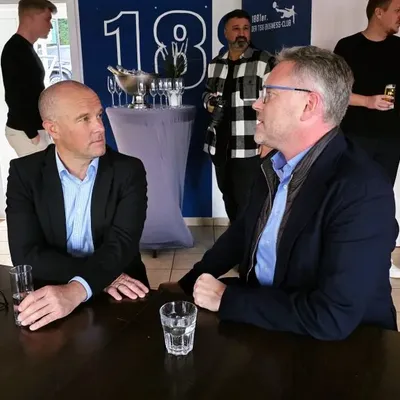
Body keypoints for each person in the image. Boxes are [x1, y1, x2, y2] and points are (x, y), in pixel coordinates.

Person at [169, 46, 398, 340]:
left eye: (269, 95)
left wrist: (227, 299)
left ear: (309, 105)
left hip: (343, 348)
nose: (256, 104)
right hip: (272, 317)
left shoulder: (362, 189)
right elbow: (242, 233)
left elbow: (332, 316)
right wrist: (186, 285)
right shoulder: (274, 165)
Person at [6, 80, 149, 331]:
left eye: (99, 115)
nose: (100, 127)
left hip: (121, 292)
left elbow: (122, 244)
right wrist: (99, 277)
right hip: (58, 287)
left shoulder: (129, 170)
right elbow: (25, 254)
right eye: (84, 119)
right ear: (53, 129)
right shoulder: (24, 173)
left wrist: (78, 288)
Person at [334, 0, 400, 278]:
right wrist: (368, 101)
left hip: (391, 139)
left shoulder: (399, 48)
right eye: (397, 10)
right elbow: (335, 91)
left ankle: (381, 258)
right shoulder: (347, 47)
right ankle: (344, 258)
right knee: (350, 196)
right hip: (355, 136)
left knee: (381, 199)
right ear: (379, 12)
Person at [203, 9, 274, 222]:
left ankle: (247, 240)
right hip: (220, 144)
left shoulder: (264, 61)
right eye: (236, 29)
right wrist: (209, 103)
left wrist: (268, 141)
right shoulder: (215, 64)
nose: (242, 33)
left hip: (249, 146)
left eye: (246, 28)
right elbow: (206, 93)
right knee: (228, 197)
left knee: (248, 201)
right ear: (225, 33)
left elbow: (274, 102)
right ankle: (235, 237)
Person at [1, 0, 56, 157]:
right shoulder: (15, 50)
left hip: (34, 128)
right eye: (47, 19)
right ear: (30, 18)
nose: (50, 26)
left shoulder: (25, 48)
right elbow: (14, 96)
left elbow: (32, 91)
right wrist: (32, 133)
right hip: (25, 131)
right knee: (40, 172)